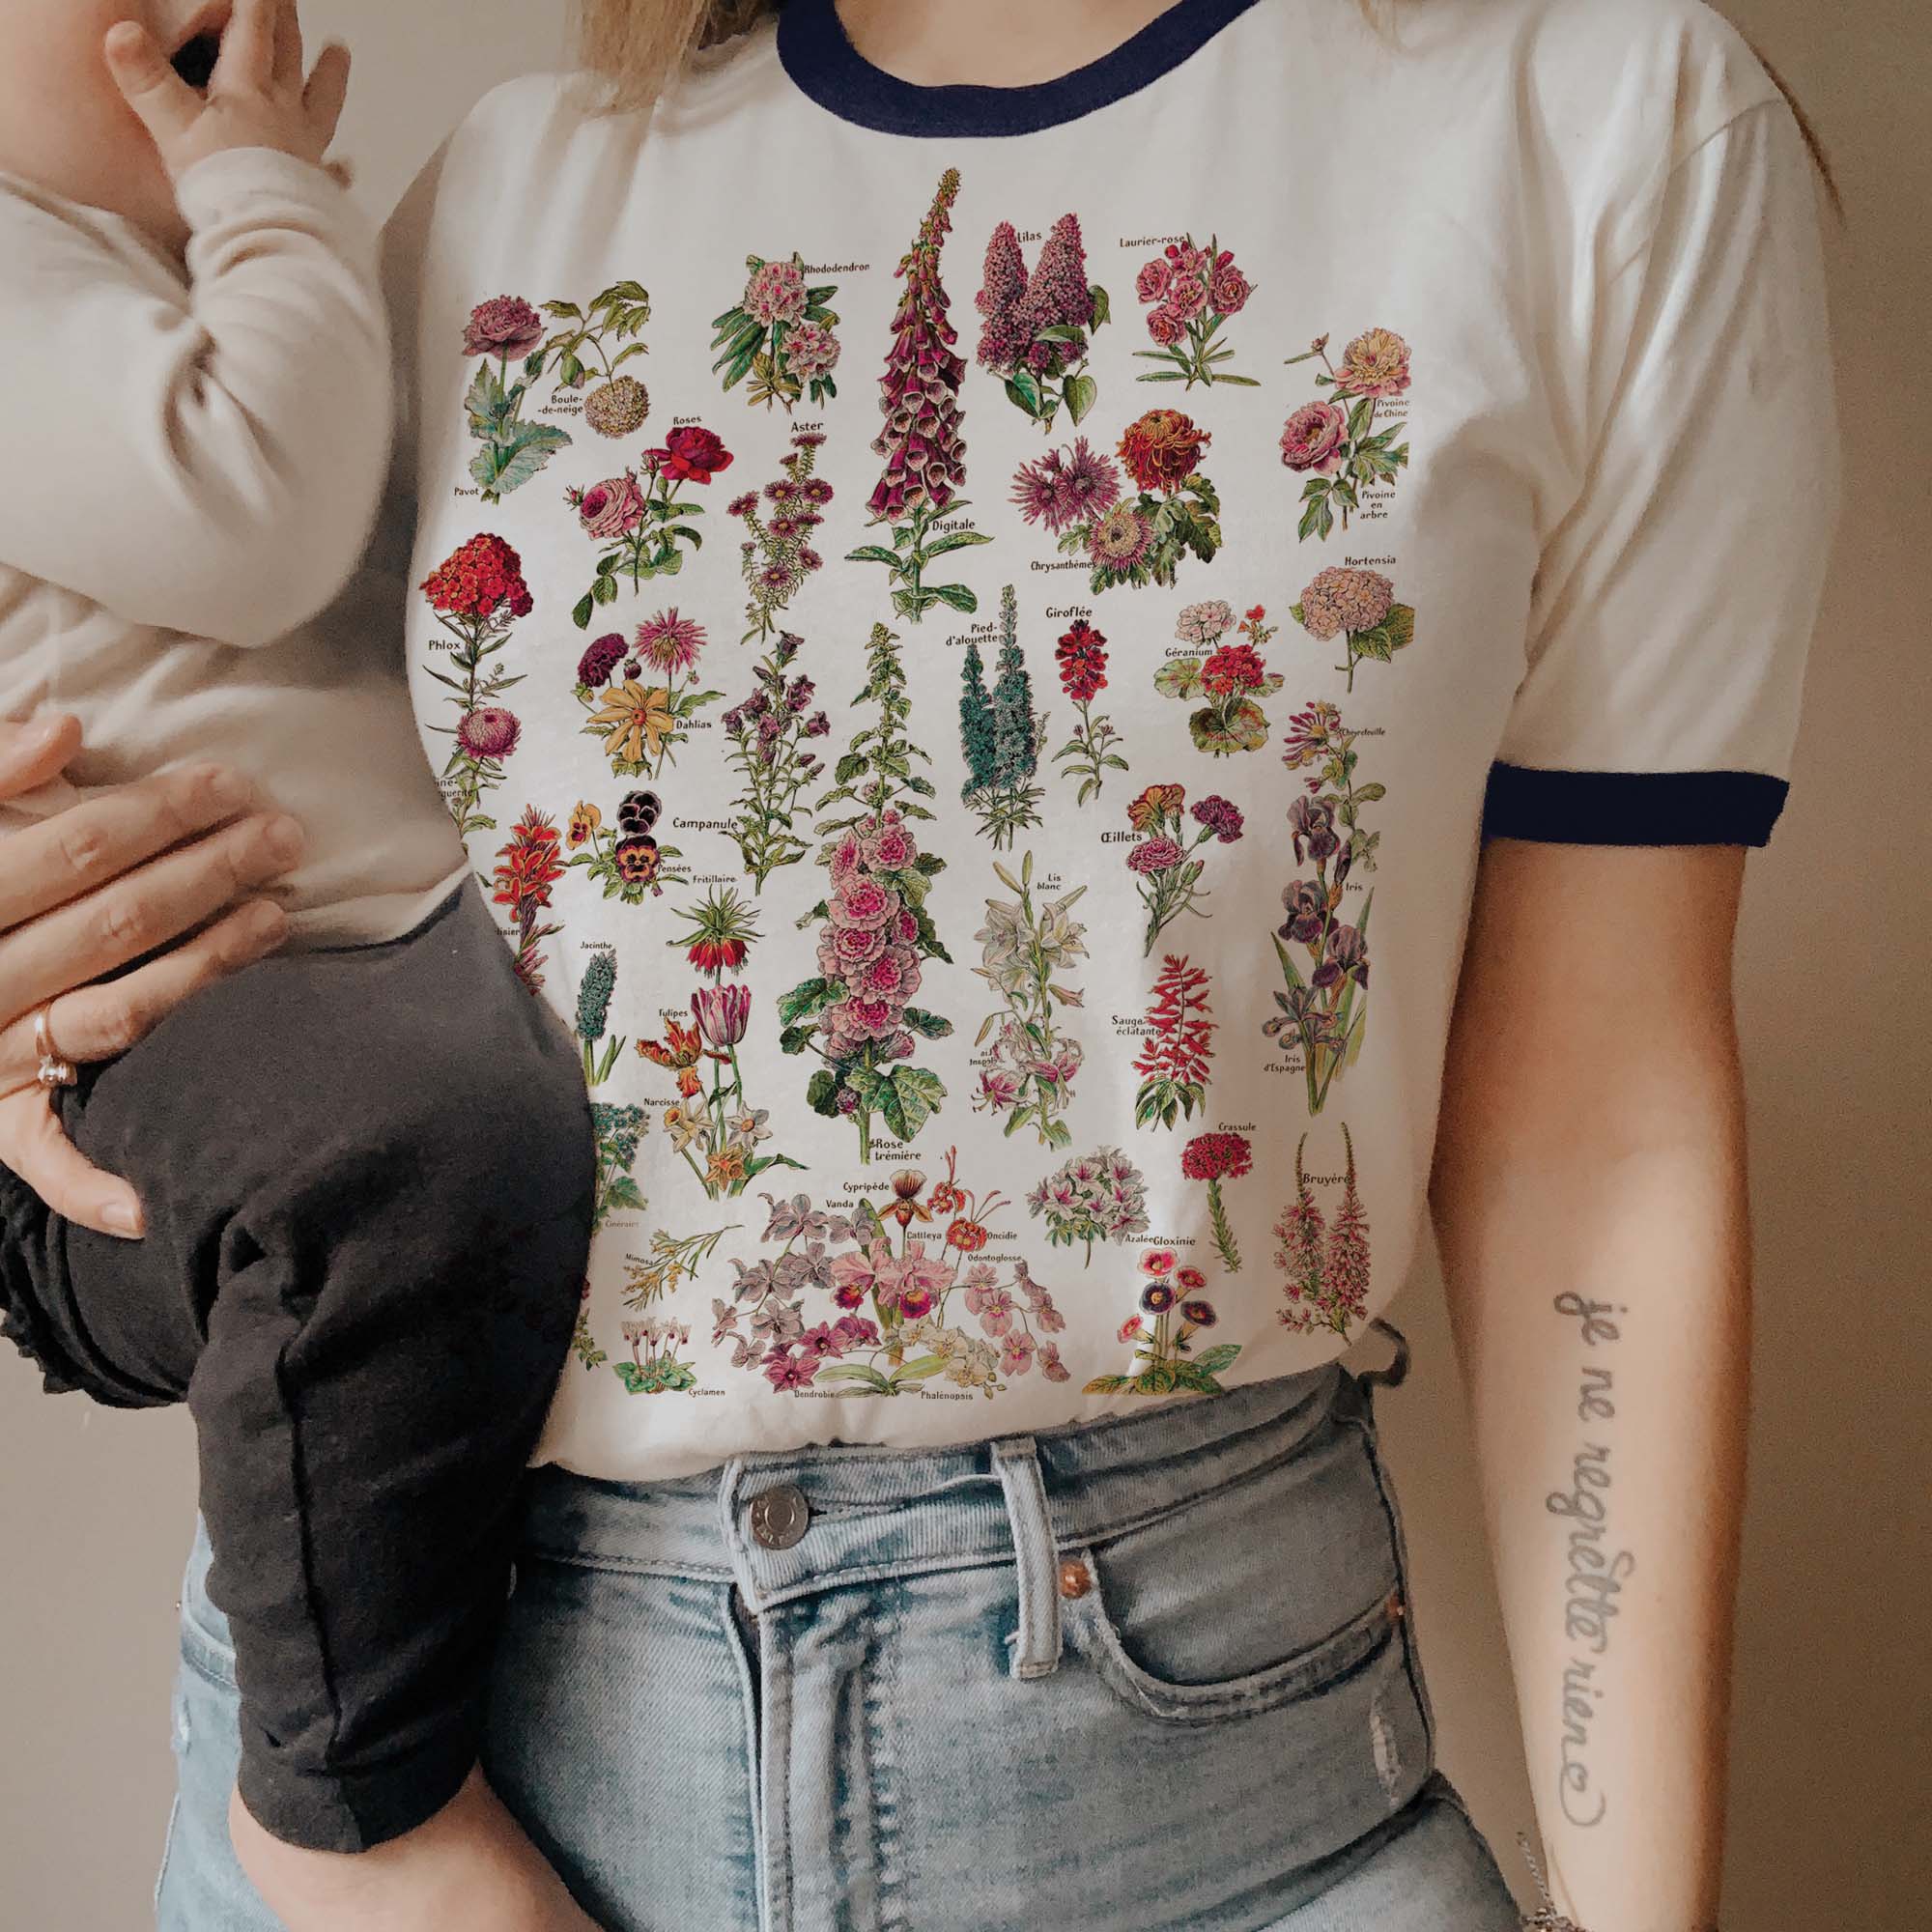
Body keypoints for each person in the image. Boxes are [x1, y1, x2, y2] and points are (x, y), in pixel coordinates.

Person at [0, 1, 1840, 1928]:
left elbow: (1594, 1122)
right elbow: (256, 864)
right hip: (411, 1755)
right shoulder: (515, 183)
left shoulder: (1596, 131)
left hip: (1192, 1808)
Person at [0, 0, 598, 1887]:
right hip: (165, 1023)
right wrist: (266, 203)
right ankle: (350, 1802)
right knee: (406, 1153)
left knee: (460, 1124)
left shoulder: (131, 275)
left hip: (353, 965)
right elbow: (255, 517)